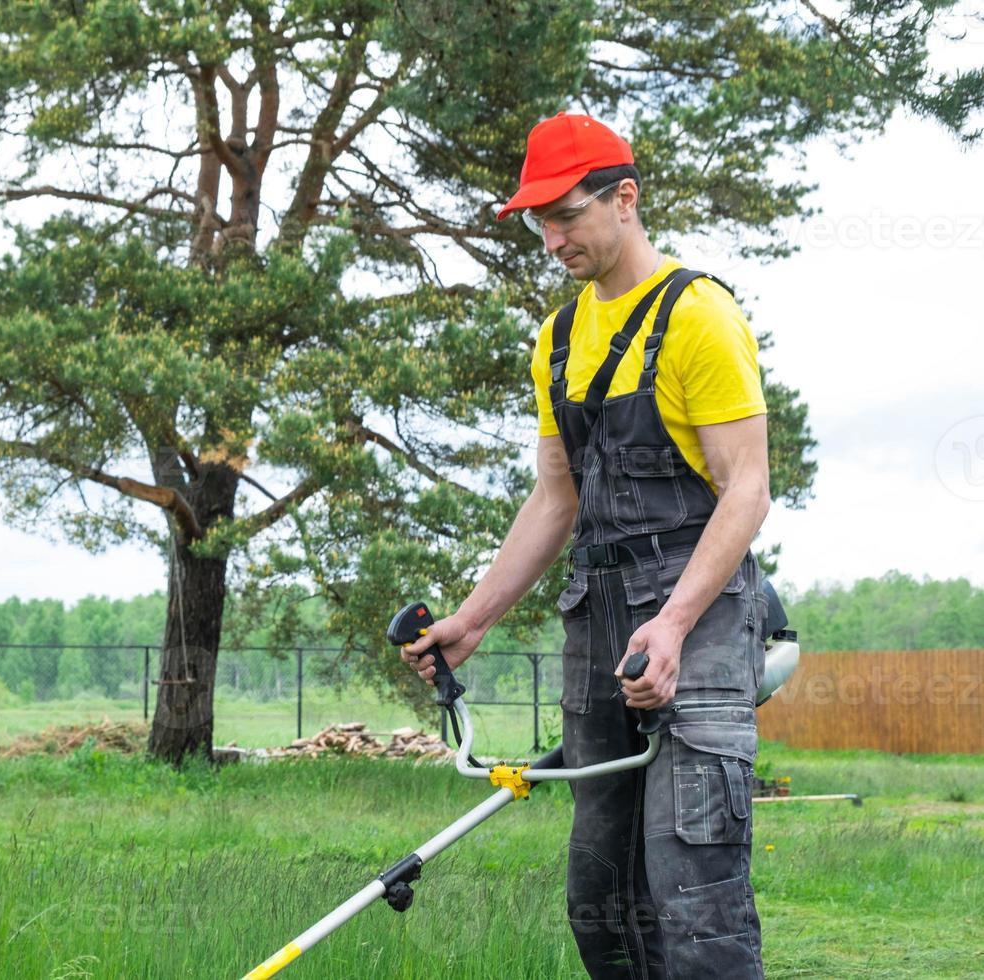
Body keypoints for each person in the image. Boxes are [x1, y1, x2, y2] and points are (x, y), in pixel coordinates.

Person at [400, 112, 772, 978]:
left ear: (625, 199)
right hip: (596, 621)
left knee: (695, 892)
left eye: (566, 214)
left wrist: (676, 623)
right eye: (539, 221)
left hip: (699, 620)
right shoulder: (560, 336)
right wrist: (474, 618)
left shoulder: (698, 316)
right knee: (599, 894)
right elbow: (556, 494)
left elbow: (746, 490)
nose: (551, 238)